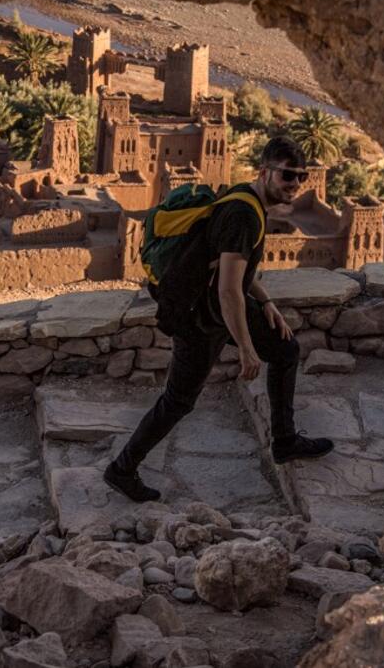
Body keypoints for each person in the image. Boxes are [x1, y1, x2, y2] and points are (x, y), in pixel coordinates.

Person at [104, 136, 335, 502]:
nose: (294, 184)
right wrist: (245, 347)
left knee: (286, 348)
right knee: (178, 401)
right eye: (287, 176)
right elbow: (229, 289)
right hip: (201, 317)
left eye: (301, 178)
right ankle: (122, 469)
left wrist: (267, 301)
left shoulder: (248, 200)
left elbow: (239, 270)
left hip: (219, 308)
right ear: (265, 172)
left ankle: (285, 440)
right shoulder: (244, 214)